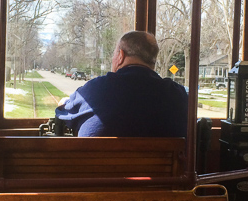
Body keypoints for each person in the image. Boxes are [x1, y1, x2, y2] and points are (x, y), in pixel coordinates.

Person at [55, 31, 188, 137]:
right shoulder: (178, 96)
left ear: (121, 56)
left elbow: (65, 113)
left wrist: (64, 102)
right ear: (153, 61)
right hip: (161, 171)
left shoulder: (95, 90)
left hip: (99, 171)